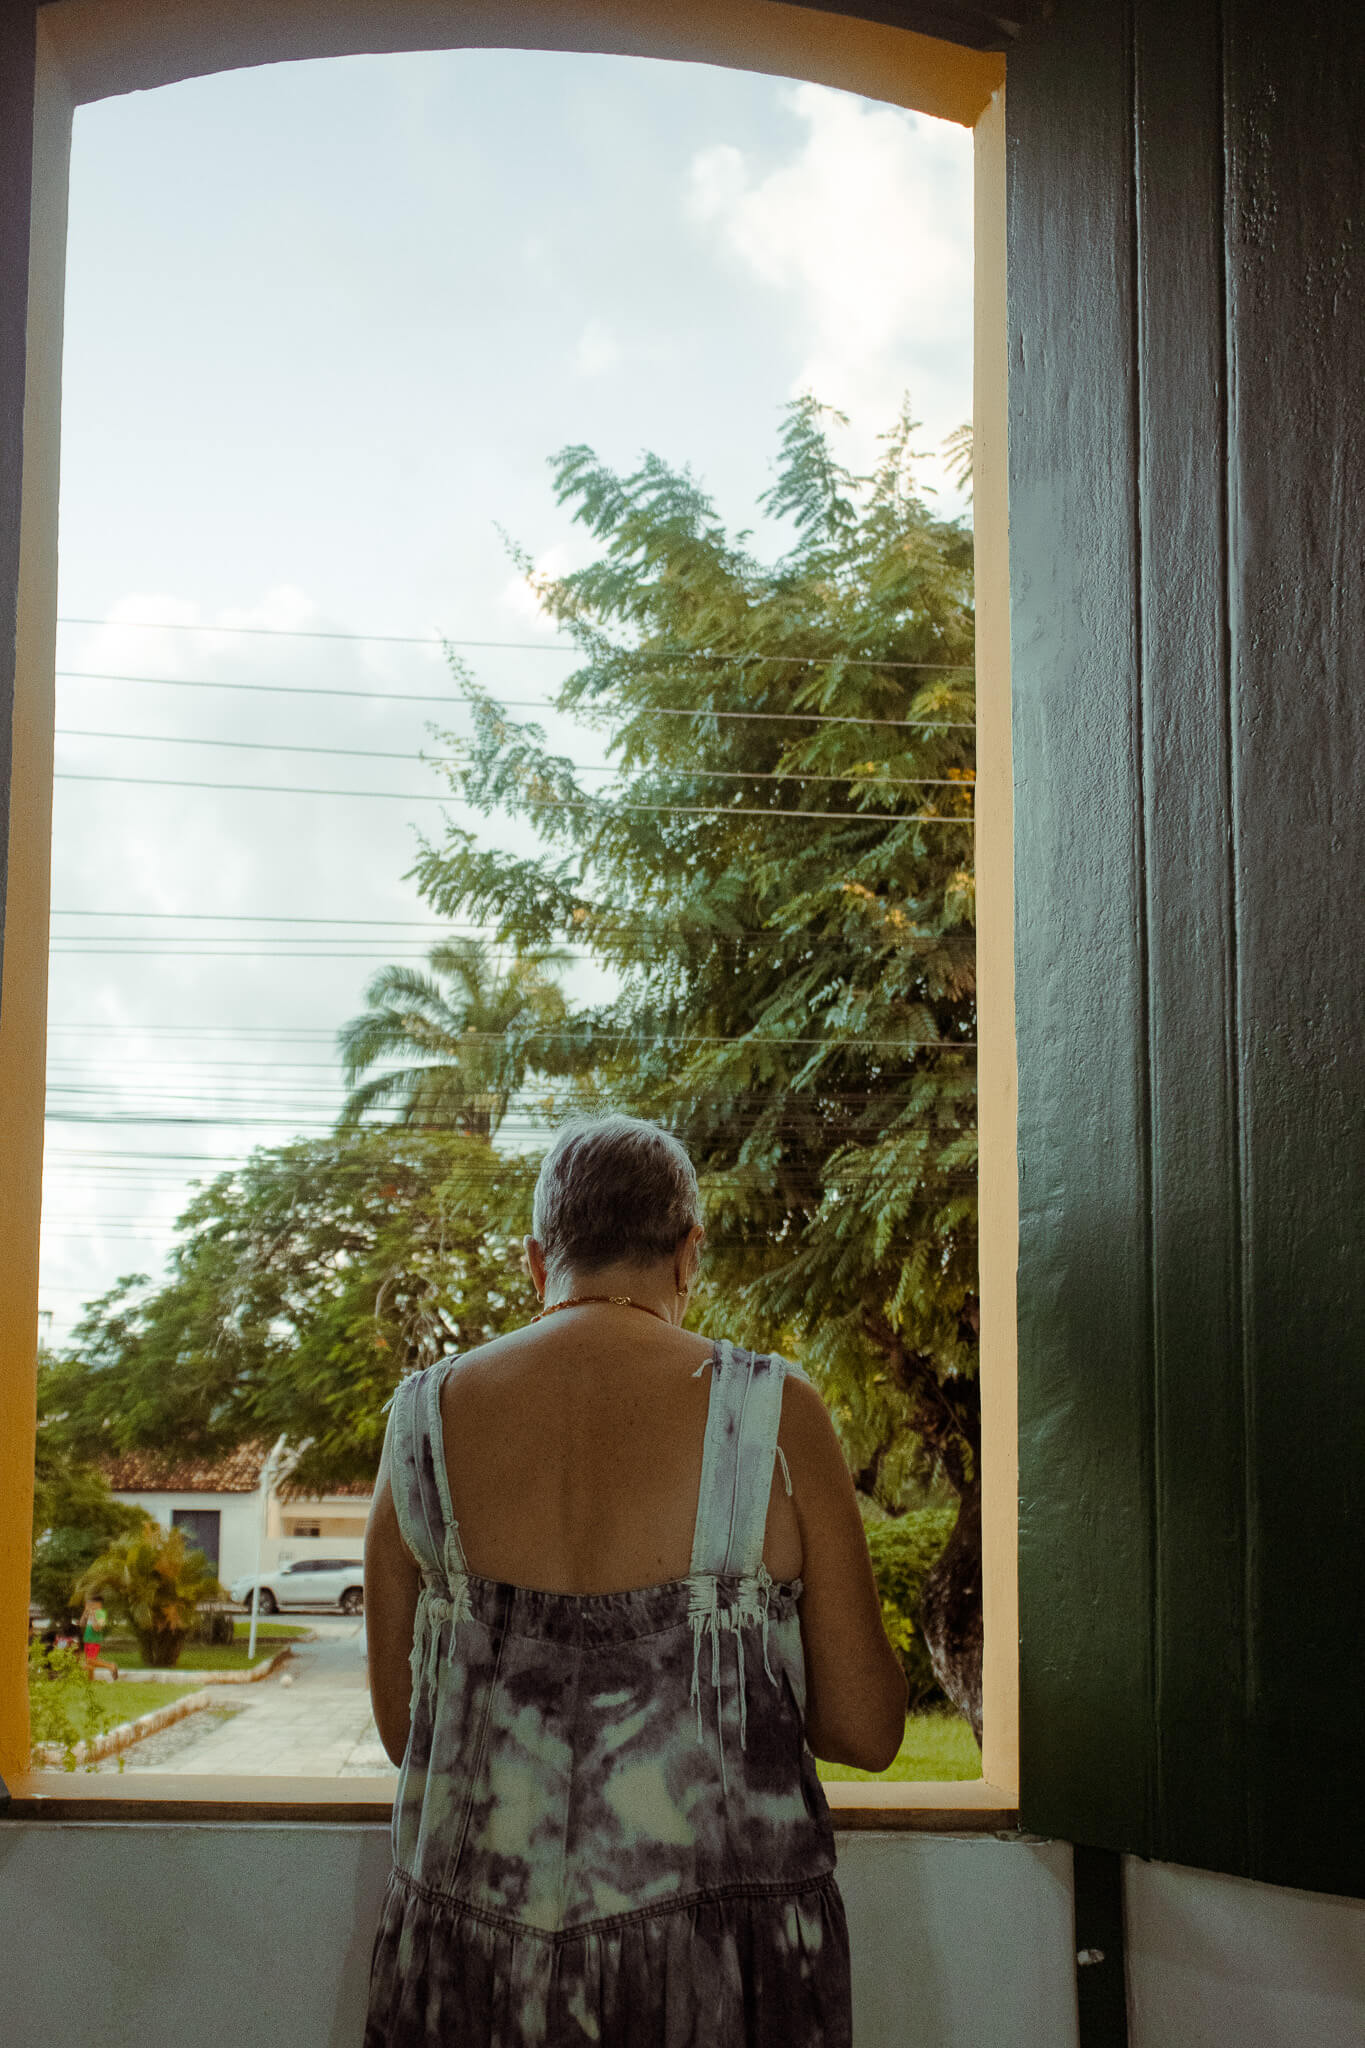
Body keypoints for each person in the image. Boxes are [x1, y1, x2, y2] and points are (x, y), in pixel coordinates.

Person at [363, 1113, 907, 2047]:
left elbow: (403, 1730)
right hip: (718, 1978)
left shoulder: (420, 1421)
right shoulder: (773, 1414)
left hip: (475, 1980)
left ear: (537, 1261)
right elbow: (865, 1730)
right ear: (689, 1254)